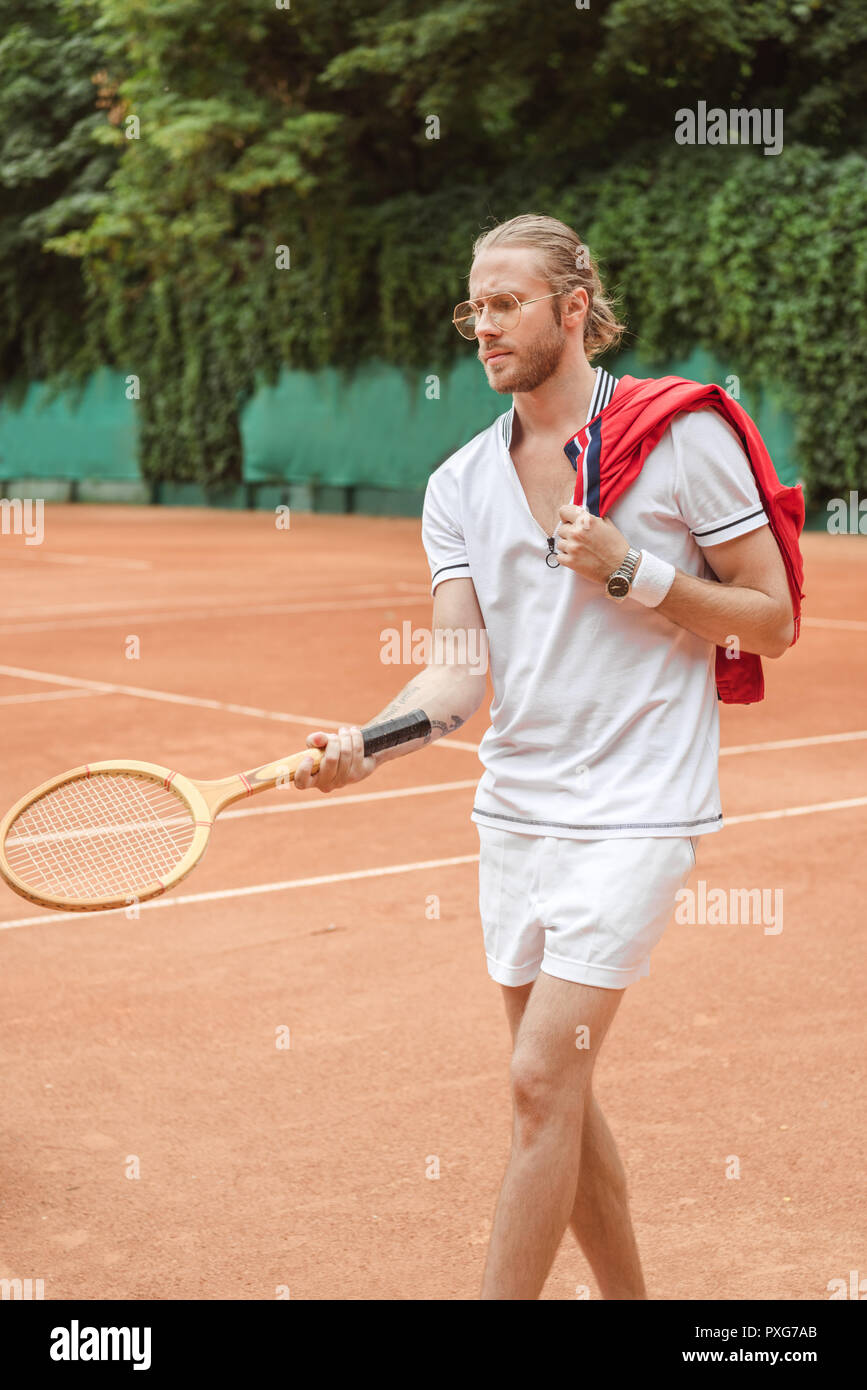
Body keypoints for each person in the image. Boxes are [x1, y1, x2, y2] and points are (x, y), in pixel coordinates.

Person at [292, 214, 795, 1299]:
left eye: (507, 301)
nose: (483, 326)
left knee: (534, 1082)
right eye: (474, 306)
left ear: (574, 309)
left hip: (637, 810)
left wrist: (635, 573)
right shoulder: (456, 485)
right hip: (516, 816)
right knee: (557, 1096)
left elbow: (771, 618)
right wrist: (366, 746)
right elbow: (457, 681)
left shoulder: (677, 438)